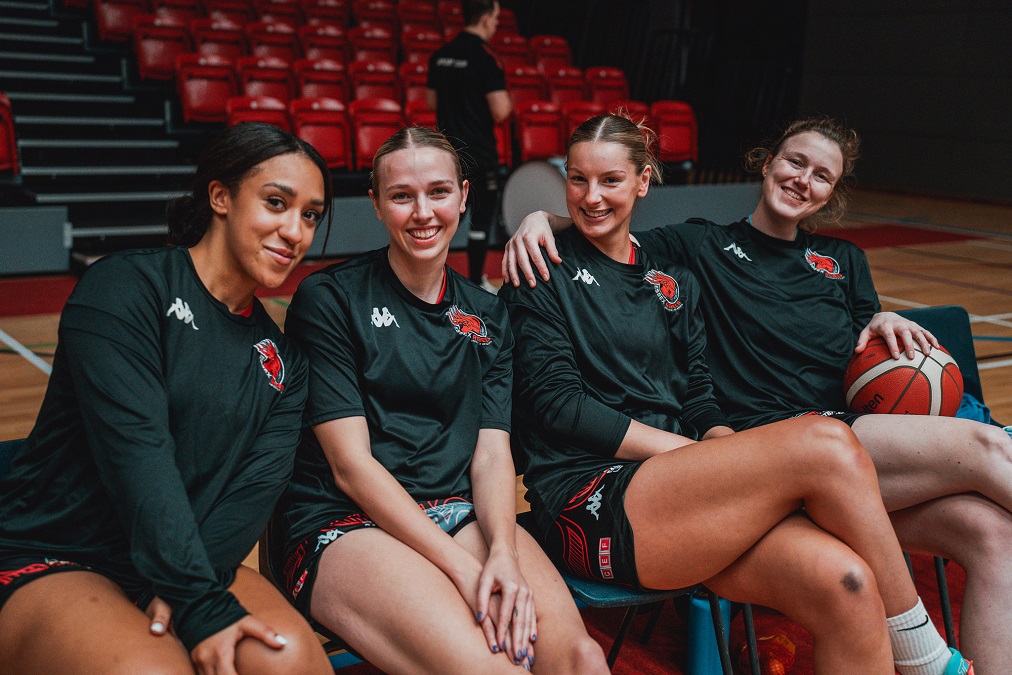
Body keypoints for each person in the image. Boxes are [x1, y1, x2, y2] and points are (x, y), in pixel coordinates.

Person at [504, 115, 1012, 673]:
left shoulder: (675, 281)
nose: (591, 196)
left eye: (610, 181)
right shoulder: (542, 268)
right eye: (577, 180)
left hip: (692, 486)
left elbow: (699, 399)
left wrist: (716, 443)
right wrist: (535, 217)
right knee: (828, 442)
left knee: (849, 585)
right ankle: (928, 660)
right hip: (592, 496)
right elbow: (558, 406)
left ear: (644, 182)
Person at [0, 123, 334, 675]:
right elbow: (138, 453)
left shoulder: (286, 362)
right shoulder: (125, 288)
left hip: (190, 555)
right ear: (220, 196)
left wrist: (191, 584)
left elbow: (251, 495)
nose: (294, 230)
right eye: (276, 203)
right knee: (150, 671)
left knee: (292, 660)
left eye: (311, 215)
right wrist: (199, 602)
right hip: (58, 552)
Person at [270, 127, 608, 674]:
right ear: (377, 204)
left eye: (439, 192)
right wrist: (463, 568)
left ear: (465, 196)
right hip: (344, 523)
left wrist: (500, 551)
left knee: (581, 659)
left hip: (457, 514)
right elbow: (351, 467)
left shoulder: (487, 314)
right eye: (402, 195)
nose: (423, 212)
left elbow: (492, 453)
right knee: (496, 668)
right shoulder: (329, 299)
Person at [427, 0, 511, 290]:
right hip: (480, 153)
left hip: (447, 154)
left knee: (441, 219)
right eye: (497, 17)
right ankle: (476, 281)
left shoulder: (440, 56)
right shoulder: (486, 58)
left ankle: (427, 280)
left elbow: (431, 102)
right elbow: (501, 111)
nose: (497, 23)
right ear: (486, 17)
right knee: (480, 220)